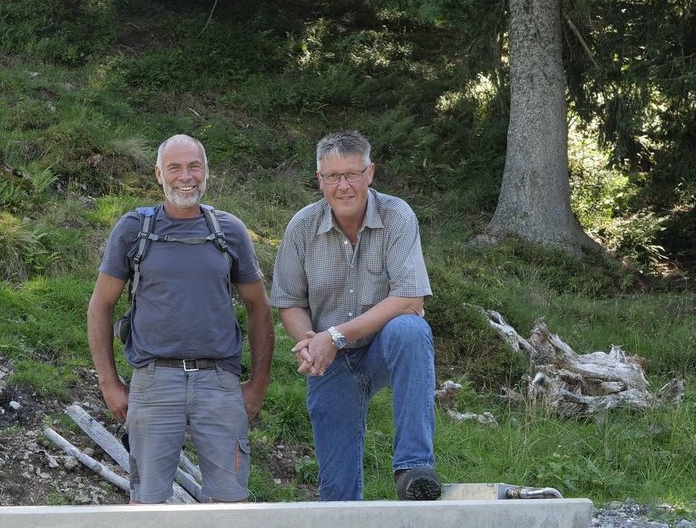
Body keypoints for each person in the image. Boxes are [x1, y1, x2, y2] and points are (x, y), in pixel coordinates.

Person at [87, 134, 273, 504]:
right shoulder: (133, 230)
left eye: (194, 167)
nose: (185, 176)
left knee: (229, 505)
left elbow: (259, 309)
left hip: (219, 383)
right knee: (148, 505)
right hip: (154, 382)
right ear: (158, 173)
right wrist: (109, 383)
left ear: (206, 173)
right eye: (174, 167)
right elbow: (99, 307)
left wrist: (258, 384)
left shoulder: (230, 231)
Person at [269, 130, 440, 501]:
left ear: (370, 173)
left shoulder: (397, 216)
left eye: (352, 174)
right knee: (337, 495)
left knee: (411, 331)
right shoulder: (301, 226)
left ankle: (413, 467)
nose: (343, 186)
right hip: (331, 363)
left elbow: (410, 299)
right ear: (320, 181)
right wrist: (309, 344)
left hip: (382, 348)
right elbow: (290, 300)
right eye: (333, 176)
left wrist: (333, 336)